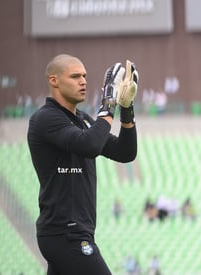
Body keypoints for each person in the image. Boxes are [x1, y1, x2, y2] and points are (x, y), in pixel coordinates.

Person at [27, 54, 138, 275]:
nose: (83, 81)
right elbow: (89, 145)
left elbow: (125, 153)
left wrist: (125, 108)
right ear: (54, 80)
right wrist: (109, 99)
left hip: (73, 233)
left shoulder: (83, 120)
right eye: (75, 76)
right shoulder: (46, 118)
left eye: (85, 76)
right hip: (65, 233)